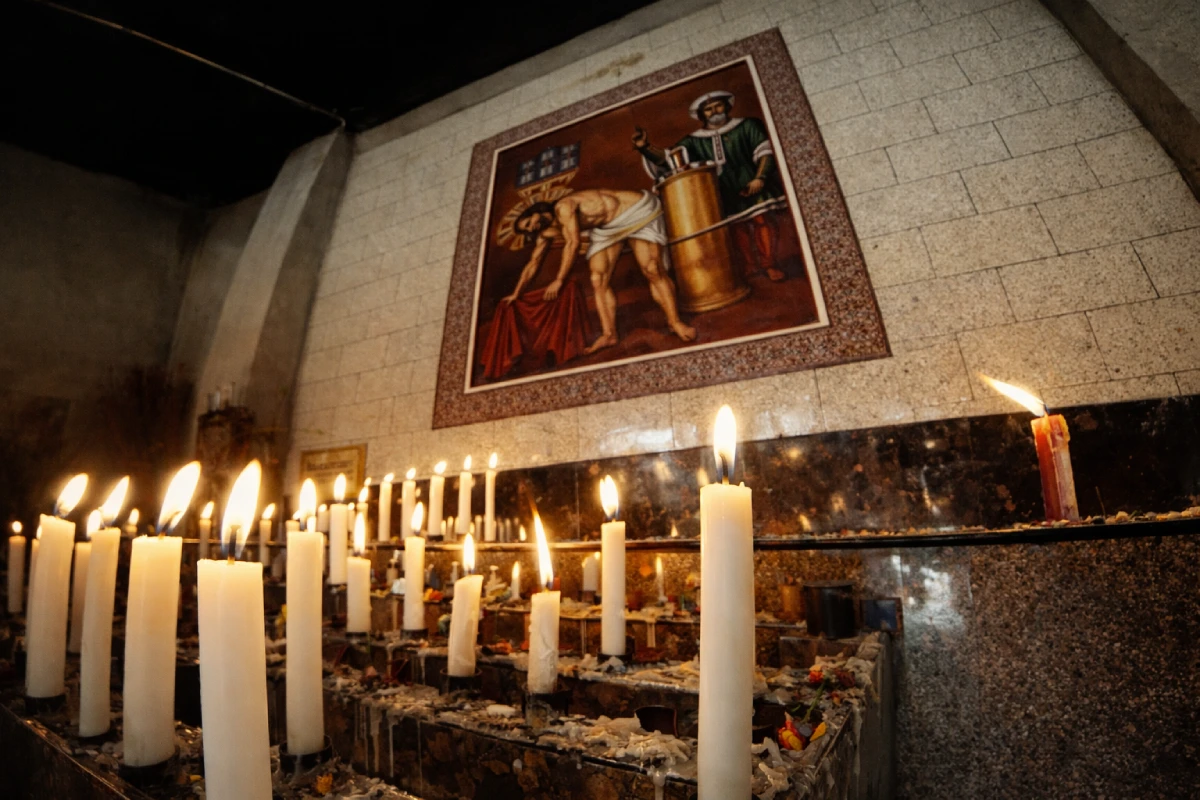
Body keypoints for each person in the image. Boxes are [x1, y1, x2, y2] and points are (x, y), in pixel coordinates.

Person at [504, 188, 696, 353]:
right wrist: (516, 293)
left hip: (635, 210)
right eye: (527, 229)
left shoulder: (563, 206)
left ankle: (675, 322)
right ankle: (609, 334)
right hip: (607, 228)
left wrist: (559, 280)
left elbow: (573, 243)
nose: (532, 228)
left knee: (652, 269)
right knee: (597, 279)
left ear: (535, 212)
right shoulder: (545, 233)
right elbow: (533, 263)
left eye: (529, 222)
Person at [634, 90, 787, 281]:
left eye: (718, 106)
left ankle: (769, 264)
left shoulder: (748, 125)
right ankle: (750, 265)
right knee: (735, 228)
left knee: (762, 221)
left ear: (727, 106)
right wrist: (645, 147)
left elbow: (765, 152)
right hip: (720, 190)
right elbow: (670, 160)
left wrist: (760, 177)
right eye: (708, 109)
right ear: (701, 114)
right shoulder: (692, 141)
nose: (714, 111)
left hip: (752, 182)